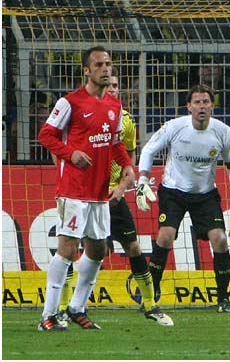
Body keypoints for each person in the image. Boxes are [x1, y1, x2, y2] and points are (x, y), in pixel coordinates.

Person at [57, 72, 173, 327]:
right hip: (83, 193)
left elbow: (126, 155)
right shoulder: (79, 112)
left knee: (132, 247)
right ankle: (64, 308)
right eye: (108, 85)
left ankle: (151, 304)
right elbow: (59, 143)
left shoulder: (125, 121)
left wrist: (122, 187)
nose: (112, 90)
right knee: (74, 248)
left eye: (116, 86)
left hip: (112, 196)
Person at [36, 46, 135, 331]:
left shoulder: (115, 106)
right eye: (99, 64)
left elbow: (115, 142)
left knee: (98, 249)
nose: (106, 69)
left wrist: (126, 166)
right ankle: (48, 315)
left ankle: (77, 307)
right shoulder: (71, 102)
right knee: (67, 249)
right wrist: (70, 153)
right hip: (73, 189)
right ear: (87, 70)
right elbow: (46, 134)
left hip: (100, 190)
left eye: (108, 64)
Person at [135, 84, 230, 315]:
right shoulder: (174, 127)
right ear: (188, 106)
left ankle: (223, 300)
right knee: (165, 236)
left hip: (205, 195)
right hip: (173, 192)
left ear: (212, 106)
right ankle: (150, 297)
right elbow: (148, 150)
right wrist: (142, 179)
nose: (201, 106)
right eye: (197, 102)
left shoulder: (223, 132)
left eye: (206, 102)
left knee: (220, 239)